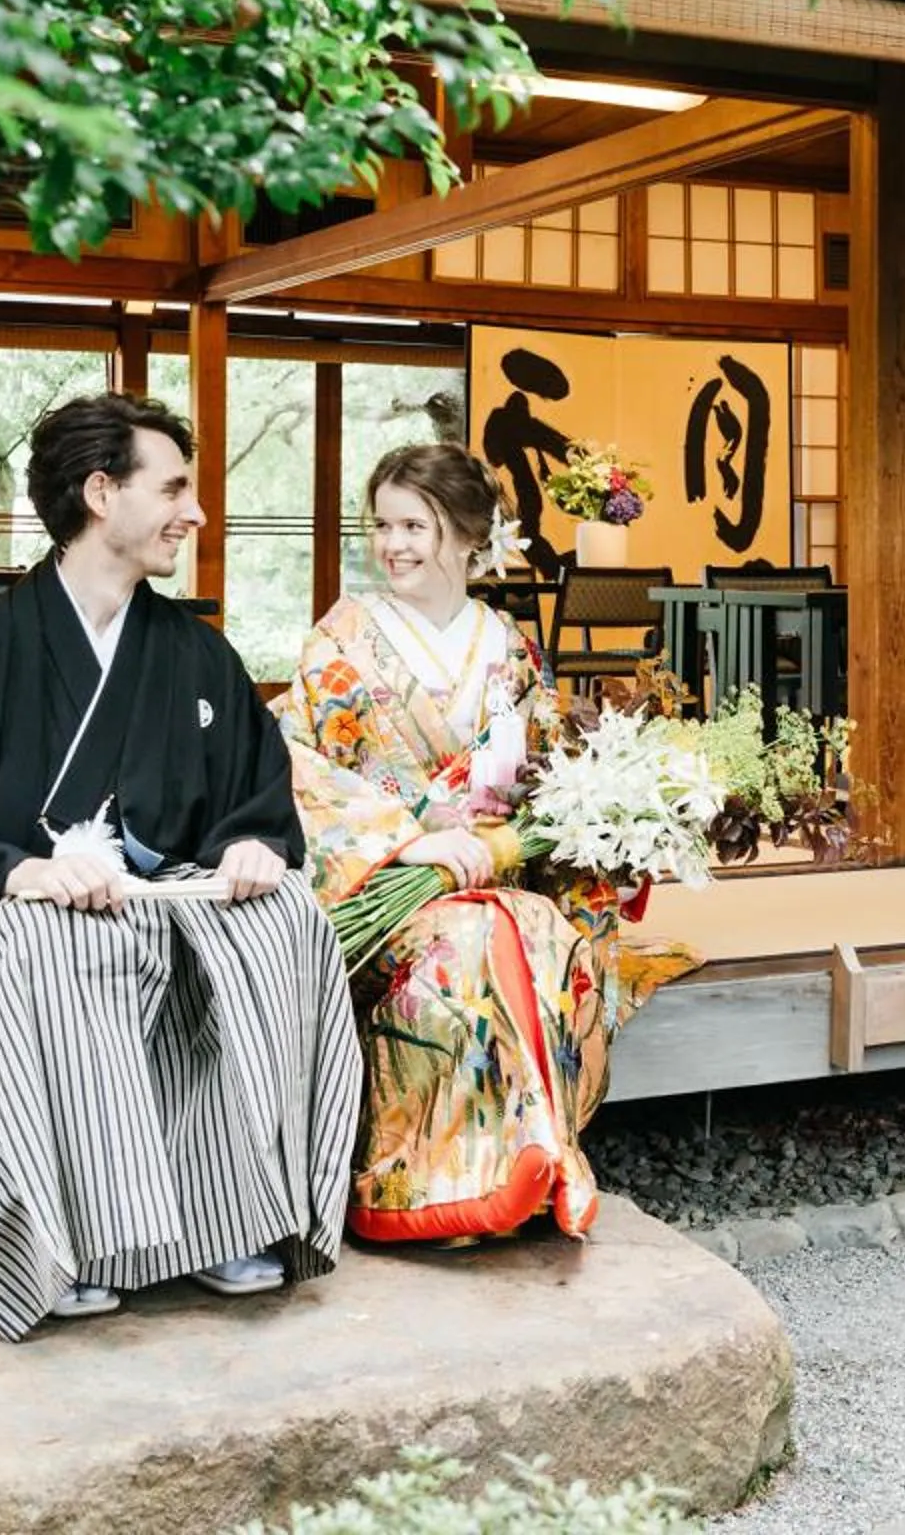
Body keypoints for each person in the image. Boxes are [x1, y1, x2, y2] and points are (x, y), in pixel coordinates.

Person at [0, 393, 360, 1340]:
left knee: (284, 926)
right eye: (175, 488)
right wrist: (13, 872)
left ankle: (229, 1212)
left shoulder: (195, 654)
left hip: (164, 904)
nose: (194, 513)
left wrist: (251, 846)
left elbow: (253, 796)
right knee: (57, 943)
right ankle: (62, 1237)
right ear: (102, 493)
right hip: (29, 910)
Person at [276, 443, 696, 1244]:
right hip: (386, 881)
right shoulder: (341, 641)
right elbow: (298, 767)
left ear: (469, 534)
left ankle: (528, 1161)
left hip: (502, 876)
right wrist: (411, 843)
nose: (392, 545)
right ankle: (418, 1185)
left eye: (414, 525)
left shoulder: (509, 647)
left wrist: (609, 828)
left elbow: (545, 776)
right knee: (469, 941)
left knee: (535, 930)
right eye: (383, 525)